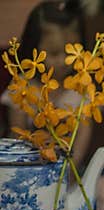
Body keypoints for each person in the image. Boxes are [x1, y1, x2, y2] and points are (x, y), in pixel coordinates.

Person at [1, 1, 91, 167]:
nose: (63, 61)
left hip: (67, 173)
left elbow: (81, 141)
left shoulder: (81, 90)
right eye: (54, 53)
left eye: (70, 53)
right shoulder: (22, 87)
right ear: (33, 47)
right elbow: (16, 135)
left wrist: (69, 170)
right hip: (27, 168)